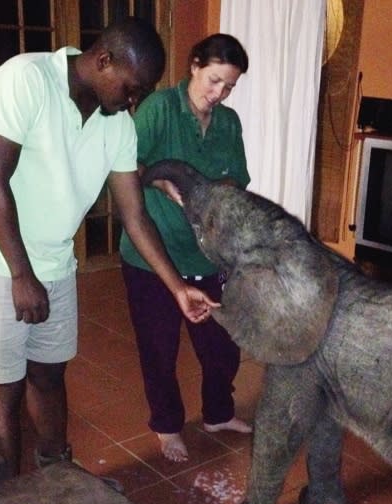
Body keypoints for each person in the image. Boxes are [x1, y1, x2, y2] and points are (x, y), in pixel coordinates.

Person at [0, 18, 218, 478]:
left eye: (142, 94)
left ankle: (58, 478)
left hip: (53, 264)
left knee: (50, 376)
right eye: (131, 88)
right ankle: (4, 498)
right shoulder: (23, 80)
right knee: (3, 392)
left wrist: (177, 288)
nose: (134, 101)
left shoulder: (116, 125)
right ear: (104, 60)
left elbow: (135, 215)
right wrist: (21, 275)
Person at [119, 34, 252, 463]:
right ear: (194, 65)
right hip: (153, 254)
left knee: (221, 347)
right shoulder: (159, 108)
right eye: (214, 81)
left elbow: (238, 180)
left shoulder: (228, 122)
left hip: (206, 254)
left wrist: (212, 195)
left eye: (229, 86)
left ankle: (218, 413)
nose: (219, 94)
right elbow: (125, 163)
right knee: (159, 348)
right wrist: (163, 180)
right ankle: (167, 426)